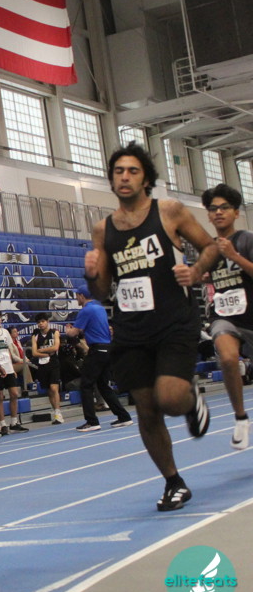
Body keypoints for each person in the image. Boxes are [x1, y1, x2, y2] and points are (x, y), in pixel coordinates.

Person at [84, 141, 216, 511]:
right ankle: (173, 482)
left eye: (133, 171)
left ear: (146, 179)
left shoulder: (169, 211)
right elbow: (101, 291)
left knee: (170, 399)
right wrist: (92, 273)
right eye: (118, 171)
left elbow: (210, 247)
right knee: (146, 408)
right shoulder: (103, 229)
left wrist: (195, 271)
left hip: (174, 322)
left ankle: (191, 399)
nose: (124, 177)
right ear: (111, 180)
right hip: (131, 328)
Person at [202, 182, 252, 449]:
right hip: (225, 315)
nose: (218, 212)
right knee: (229, 358)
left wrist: (235, 256)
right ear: (209, 216)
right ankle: (241, 418)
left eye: (224, 207)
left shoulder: (247, 240)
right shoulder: (208, 248)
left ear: (236, 212)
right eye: (213, 209)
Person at [64, 286, 134, 432]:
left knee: (86, 385)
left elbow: (74, 333)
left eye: (77, 296)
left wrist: (68, 330)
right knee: (103, 385)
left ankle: (92, 421)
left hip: (97, 350)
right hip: (107, 349)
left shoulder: (86, 310)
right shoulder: (100, 308)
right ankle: (124, 417)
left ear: (82, 296)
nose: (76, 298)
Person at [0, 311, 27, 433]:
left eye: (0, 317)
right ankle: (3, 423)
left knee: (14, 393)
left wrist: (11, 367)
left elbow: (8, 349)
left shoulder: (5, 332)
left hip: (8, 367)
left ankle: (14, 421)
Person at [32, 313, 64, 425]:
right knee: (49, 391)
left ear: (47, 322)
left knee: (54, 388)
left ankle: (58, 413)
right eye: (39, 322)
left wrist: (41, 350)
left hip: (53, 363)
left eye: (43, 321)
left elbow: (55, 347)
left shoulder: (54, 332)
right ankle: (56, 412)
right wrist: (45, 353)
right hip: (42, 365)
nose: (41, 324)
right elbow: (34, 353)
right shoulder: (35, 335)